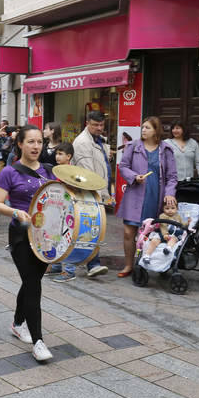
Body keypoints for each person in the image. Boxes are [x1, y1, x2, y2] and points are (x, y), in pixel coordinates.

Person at [0, 125, 54, 362]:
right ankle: (38, 341)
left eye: (39, 142)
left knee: (32, 281)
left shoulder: (49, 171)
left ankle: (18, 323)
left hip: (44, 237)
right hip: (20, 235)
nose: (36, 146)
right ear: (20, 144)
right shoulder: (9, 171)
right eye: (31, 142)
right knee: (32, 284)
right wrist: (15, 212)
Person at [116, 116, 178, 277]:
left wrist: (170, 194)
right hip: (135, 194)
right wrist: (134, 176)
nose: (143, 130)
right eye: (142, 127)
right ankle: (129, 265)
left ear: (156, 131)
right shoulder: (133, 146)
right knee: (129, 232)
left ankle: (146, 264)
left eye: (147, 128)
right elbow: (123, 166)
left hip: (155, 196)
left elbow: (172, 176)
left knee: (151, 233)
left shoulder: (165, 150)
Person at [72, 111, 111, 277]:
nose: (99, 128)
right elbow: (89, 174)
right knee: (91, 226)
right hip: (89, 192)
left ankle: (83, 262)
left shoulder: (97, 139)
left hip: (96, 191)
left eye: (101, 125)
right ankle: (92, 263)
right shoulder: (82, 142)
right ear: (87, 123)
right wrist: (102, 195)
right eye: (95, 125)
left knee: (88, 227)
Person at [45, 142, 78, 283]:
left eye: (60, 154)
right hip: (56, 210)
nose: (57, 156)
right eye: (56, 153)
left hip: (68, 211)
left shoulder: (72, 172)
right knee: (55, 237)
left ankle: (69, 270)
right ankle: (57, 265)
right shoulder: (57, 170)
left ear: (69, 156)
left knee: (67, 239)